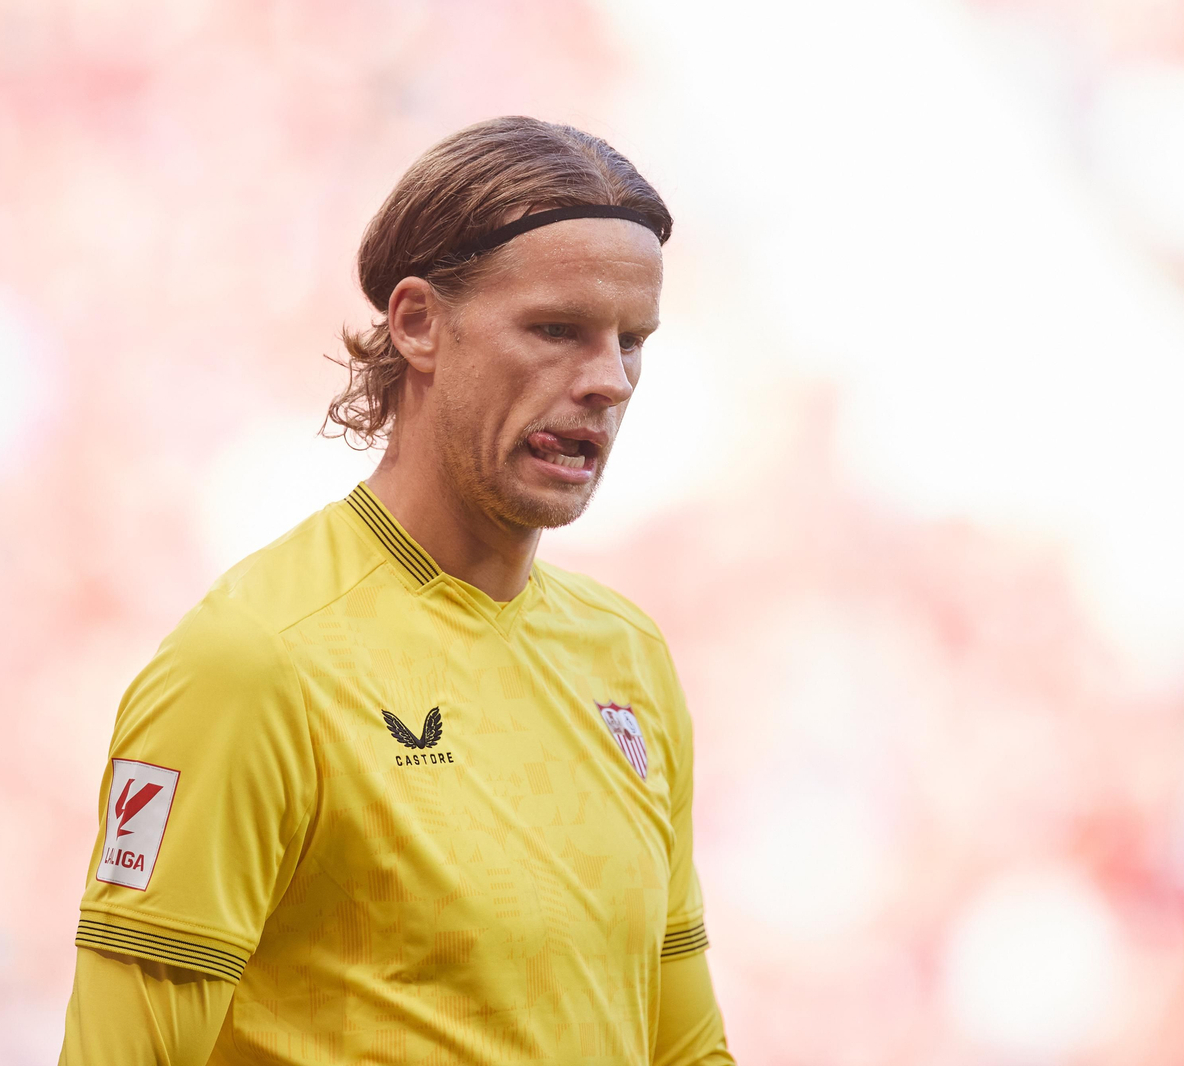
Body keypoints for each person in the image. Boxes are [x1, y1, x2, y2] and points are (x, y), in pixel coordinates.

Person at [59, 115, 733, 1066]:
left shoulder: (628, 657)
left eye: (631, 341)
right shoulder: (255, 664)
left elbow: (685, 1048)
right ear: (418, 323)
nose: (607, 381)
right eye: (556, 331)